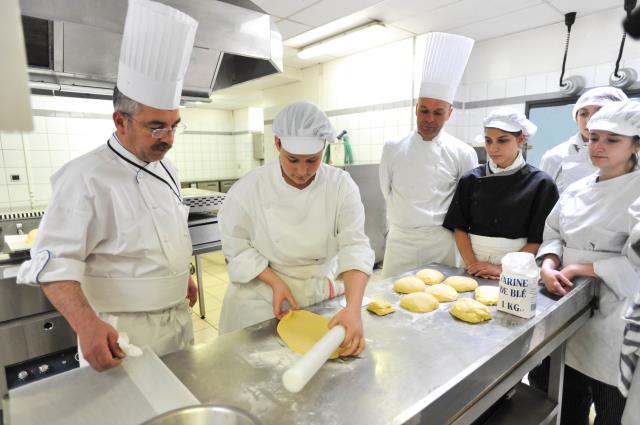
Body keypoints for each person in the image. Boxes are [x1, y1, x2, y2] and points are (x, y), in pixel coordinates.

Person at [16, 0, 199, 372]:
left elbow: (165, 234)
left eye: (174, 125)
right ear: (121, 120)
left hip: (177, 323)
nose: (169, 138)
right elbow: (53, 263)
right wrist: (86, 325)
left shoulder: (168, 170)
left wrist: (181, 277)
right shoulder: (84, 177)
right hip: (122, 334)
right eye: (156, 126)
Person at [218, 101, 374, 356]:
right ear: (277, 144)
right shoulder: (250, 188)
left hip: (316, 293)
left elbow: (354, 245)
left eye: (312, 160)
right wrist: (275, 283)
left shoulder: (340, 186)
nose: (302, 171)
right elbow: (236, 247)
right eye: (293, 160)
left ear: (324, 148)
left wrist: (353, 308)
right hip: (262, 296)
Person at [535, 101, 640, 424]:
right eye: (594, 137)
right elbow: (553, 233)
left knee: (610, 409)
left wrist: (581, 268)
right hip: (565, 311)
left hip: (614, 321)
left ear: (636, 144)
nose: (598, 147)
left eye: (612, 140)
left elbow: (635, 266)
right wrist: (549, 263)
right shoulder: (576, 189)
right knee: (565, 400)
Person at [379, 32, 478, 278]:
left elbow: (465, 203)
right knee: (390, 300)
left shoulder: (463, 153)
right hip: (401, 239)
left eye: (438, 112)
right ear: (416, 108)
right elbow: (386, 189)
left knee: (440, 301)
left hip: (441, 241)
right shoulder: (393, 147)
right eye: (424, 110)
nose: (429, 119)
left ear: (450, 113)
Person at [443, 108, 558, 279]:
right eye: (488, 141)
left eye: (502, 141)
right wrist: (473, 264)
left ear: (521, 138)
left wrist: (502, 268)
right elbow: (459, 227)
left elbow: (537, 240)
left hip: (517, 269)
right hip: (472, 265)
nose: (493, 148)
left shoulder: (541, 183)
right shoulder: (470, 179)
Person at [539, 86, 628, 194]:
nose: (589, 120)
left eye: (599, 112)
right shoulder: (555, 157)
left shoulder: (633, 153)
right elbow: (544, 202)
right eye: (583, 114)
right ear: (576, 118)